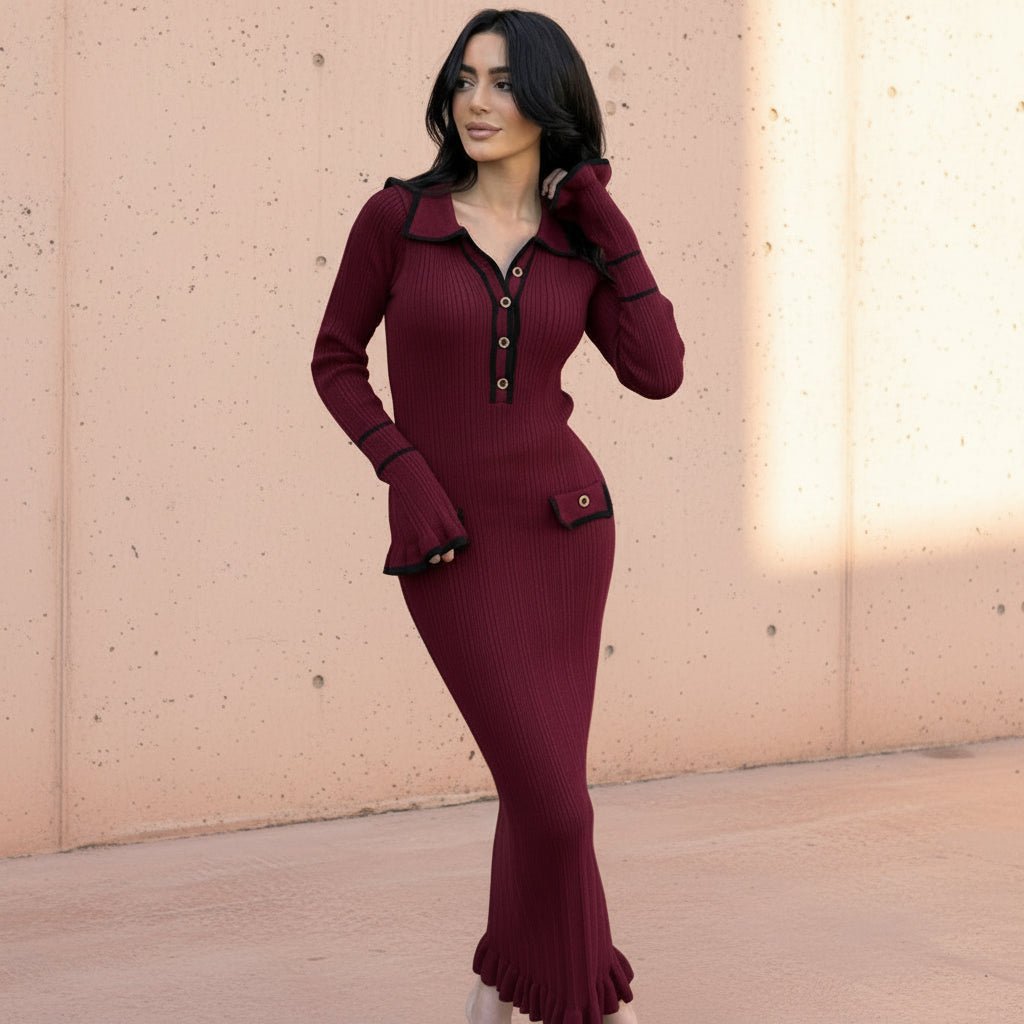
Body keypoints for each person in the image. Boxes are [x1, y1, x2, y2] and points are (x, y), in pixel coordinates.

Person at [310, 8, 684, 1023]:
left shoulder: (574, 243)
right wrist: (400, 467)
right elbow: (334, 360)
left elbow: (658, 371)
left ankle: (498, 990)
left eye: (503, 83)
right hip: (450, 541)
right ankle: (588, 1003)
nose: (476, 101)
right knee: (557, 805)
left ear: (549, 104)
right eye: (465, 79)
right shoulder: (397, 219)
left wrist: (607, 224)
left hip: (567, 534)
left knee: (543, 794)